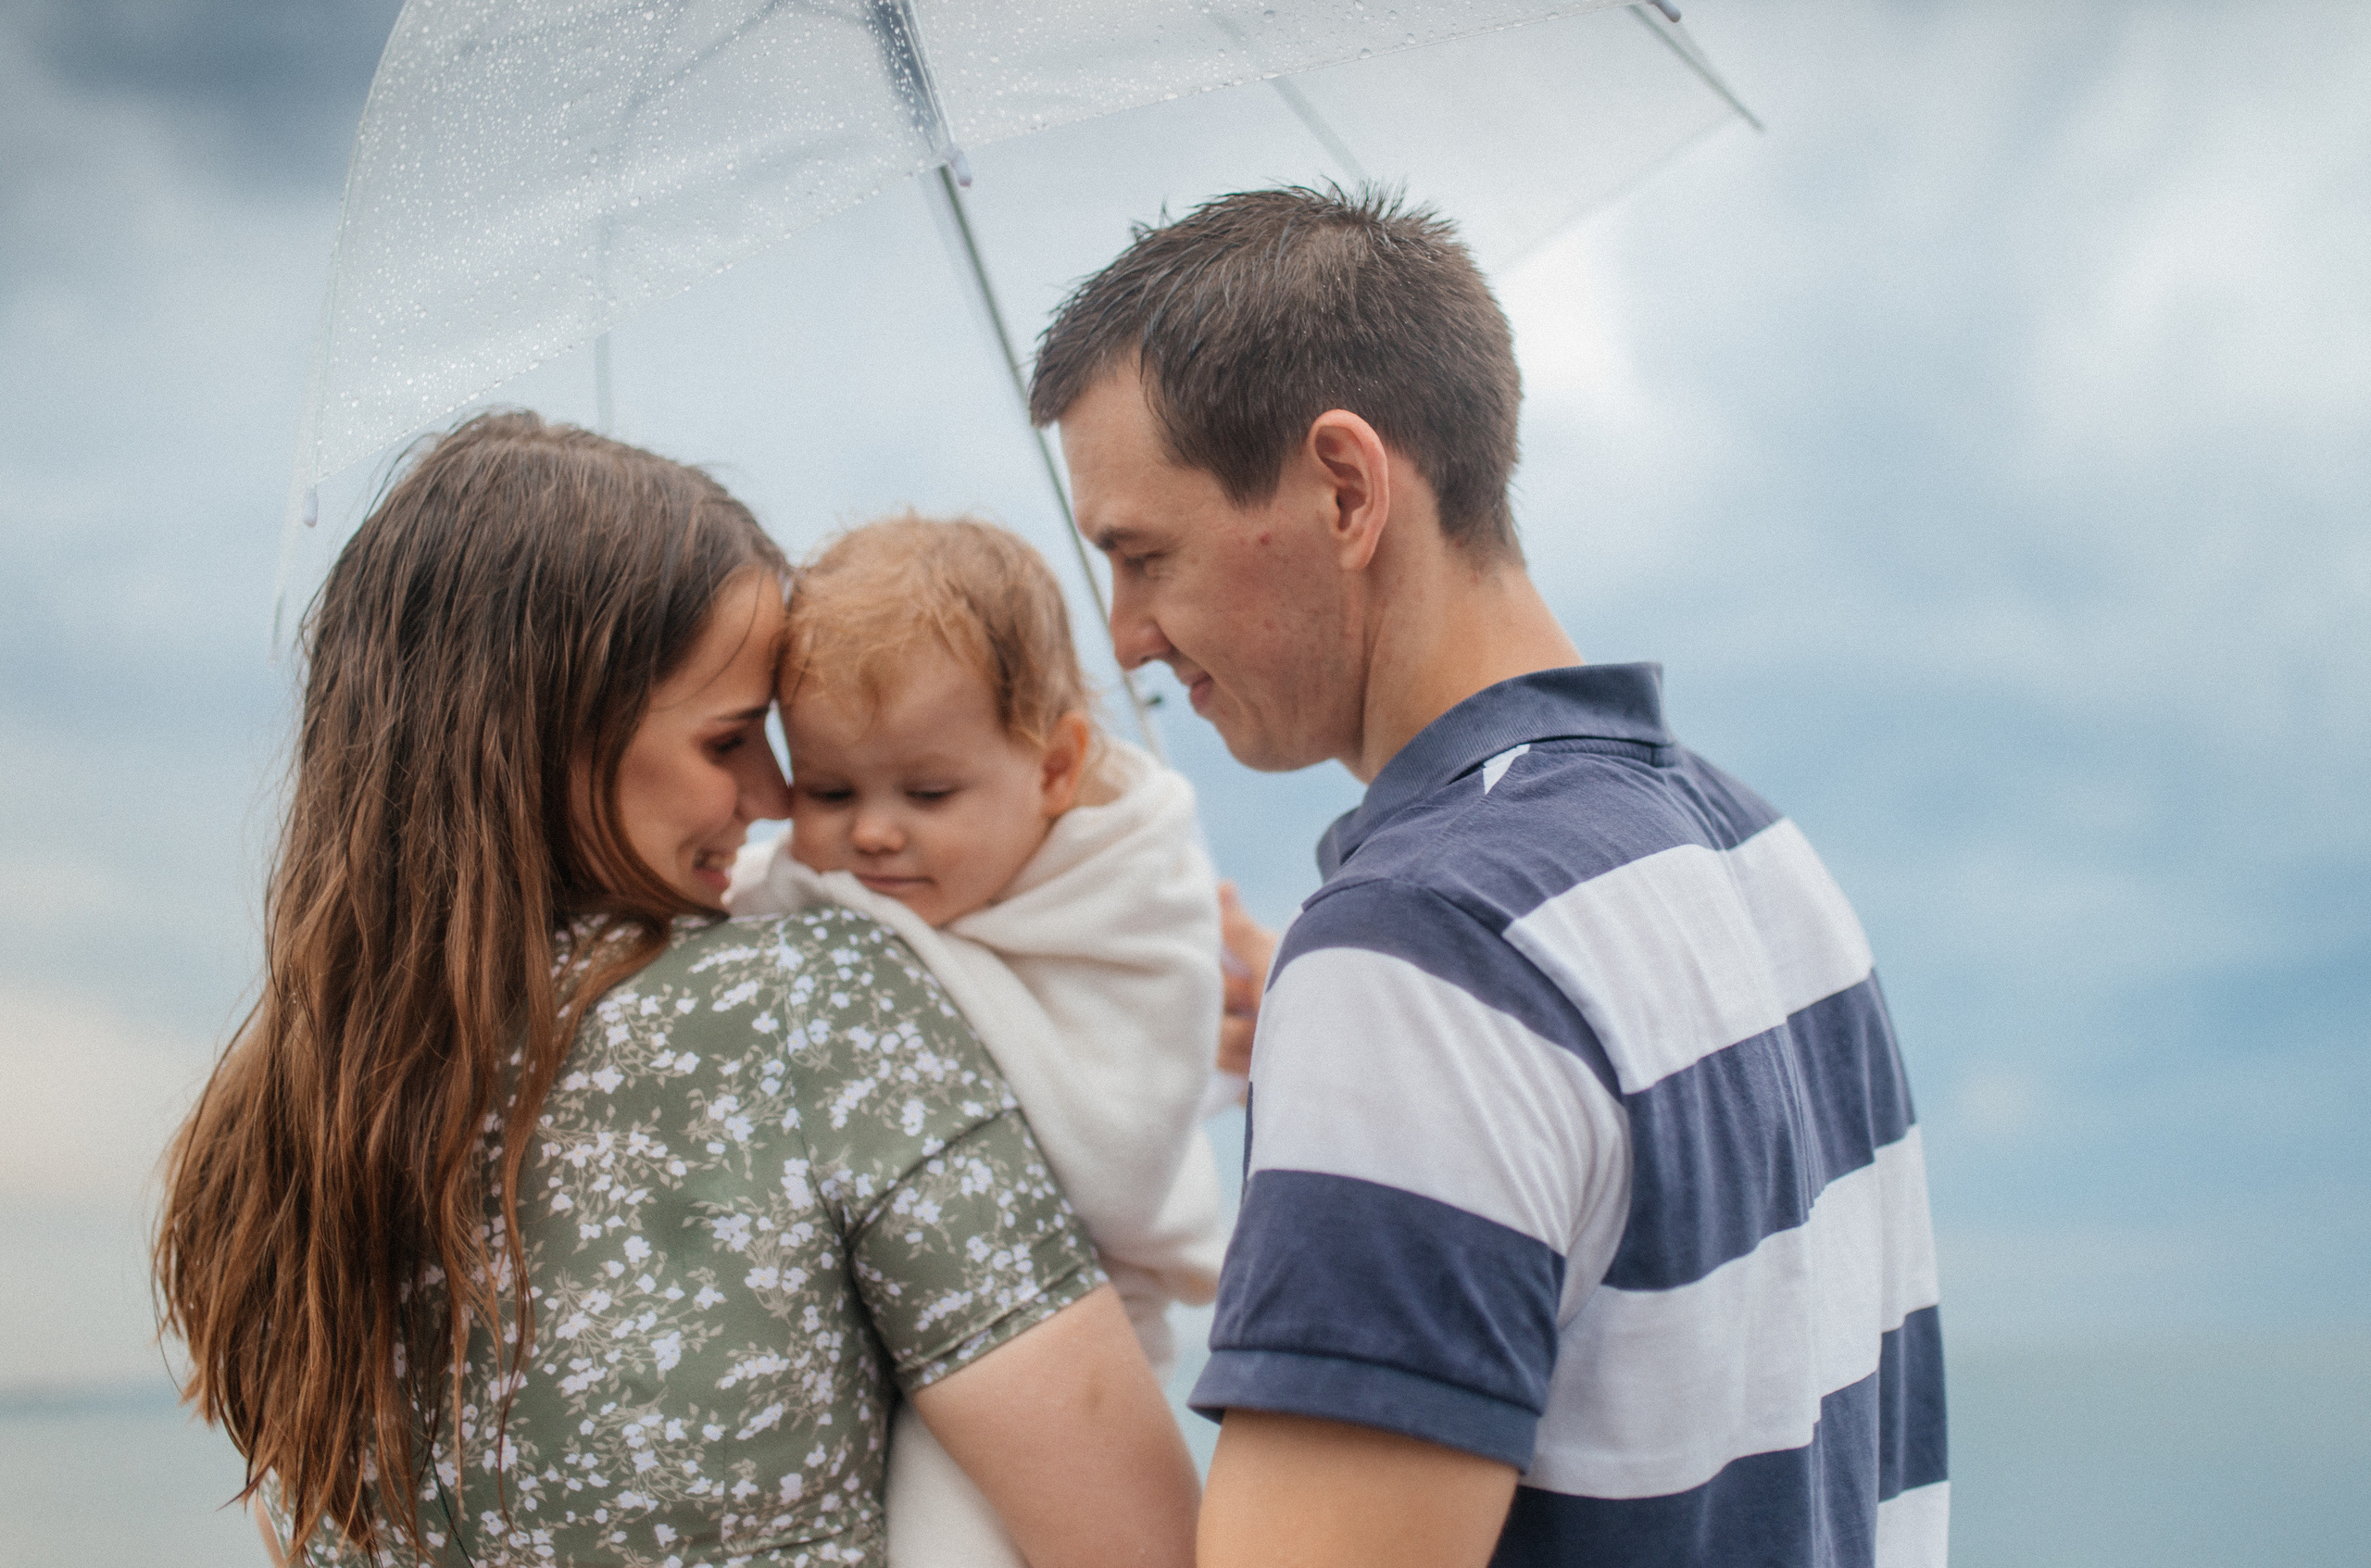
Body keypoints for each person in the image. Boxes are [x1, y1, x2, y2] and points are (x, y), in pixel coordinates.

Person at [1029, 186, 1949, 1568]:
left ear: (1347, 489)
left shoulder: (1425, 960)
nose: (1130, 637)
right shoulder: (1751, 850)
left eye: (1143, 554)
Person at [153, 413, 1198, 1568]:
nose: (771, 797)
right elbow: (1133, 1535)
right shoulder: (812, 1009)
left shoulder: (271, 1129)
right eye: (732, 738)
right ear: (555, 737)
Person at [722, 513, 1230, 1568]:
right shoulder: (862, 884)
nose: (870, 833)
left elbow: (1116, 1163)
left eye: (928, 791)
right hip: (885, 1320)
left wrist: (877, 943)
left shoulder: (1127, 892)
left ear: (1054, 767)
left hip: (1074, 1314)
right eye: (827, 791)